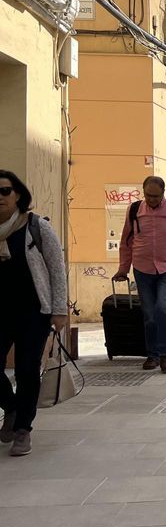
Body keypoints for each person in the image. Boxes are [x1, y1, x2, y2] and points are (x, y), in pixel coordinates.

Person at [0, 170, 68, 456]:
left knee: (27, 370)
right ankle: (12, 407)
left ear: (18, 195)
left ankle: (23, 429)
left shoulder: (36, 227)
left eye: (5, 191)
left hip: (33, 311)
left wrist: (59, 309)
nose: (0, 197)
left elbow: (56, 269)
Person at [114, 175, 166, 373]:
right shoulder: (134, 210)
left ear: (163, 194)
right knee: (149, 313)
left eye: (156, 196)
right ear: (143, 193)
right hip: (143, 269)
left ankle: (165, 354)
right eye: (148, 195)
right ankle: (152, 355)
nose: (152, 200)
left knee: (163, 308)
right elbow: (127, 241)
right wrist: (123, 268)